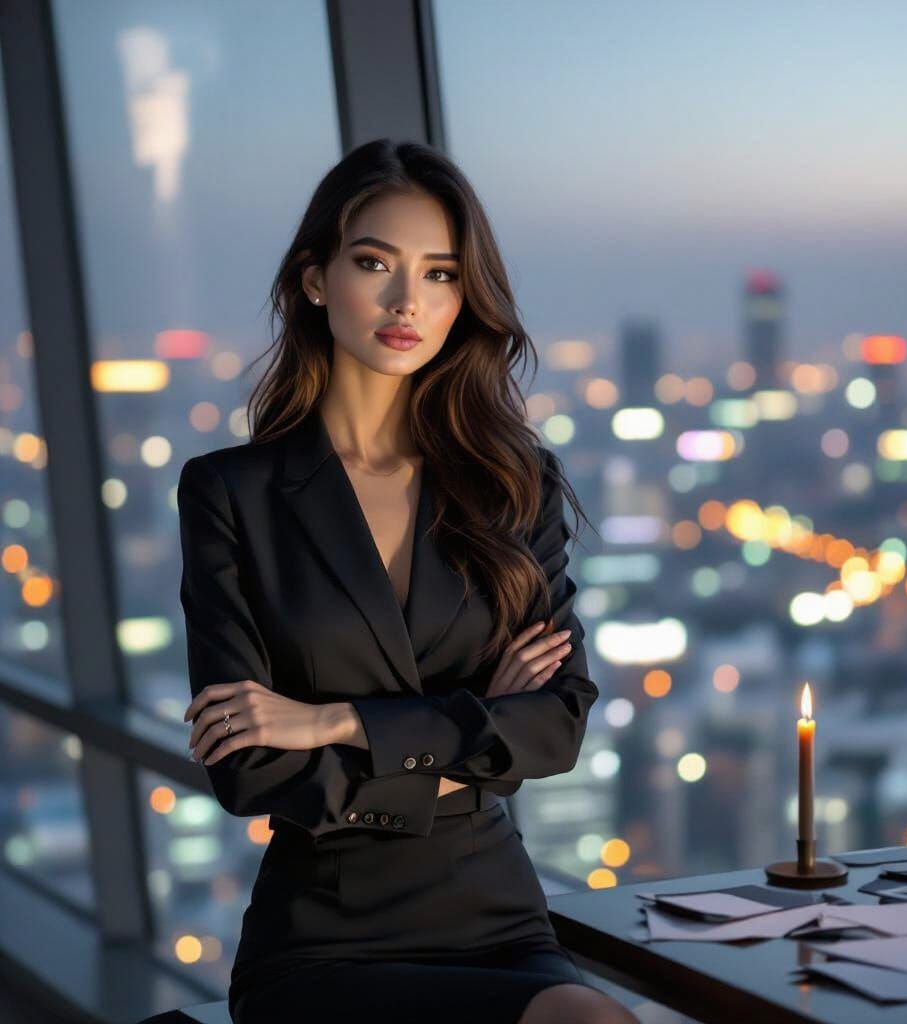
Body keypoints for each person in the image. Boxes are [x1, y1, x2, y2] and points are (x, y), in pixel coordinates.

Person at [177, 139, 640, 1024]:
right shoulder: (231, 493)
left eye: (439, 275)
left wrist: (332, 720)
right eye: (374, 263)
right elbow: (250, 770)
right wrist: (473, 743)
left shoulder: (513, 484)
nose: (406, 302)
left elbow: (553, 728)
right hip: (322, 936)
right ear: (316, 281)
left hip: (496, 914)